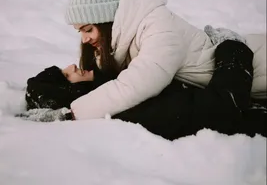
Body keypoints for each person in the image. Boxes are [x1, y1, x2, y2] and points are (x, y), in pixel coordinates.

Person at [64, 0, 266, 121]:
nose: (84, 39)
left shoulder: (159, 29)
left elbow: (133, 85)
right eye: (80, 32)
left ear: (107, 19)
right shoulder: (125, 37)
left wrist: (73, 113)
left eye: (88, 29)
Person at [22, 39, 267, 140]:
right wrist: (233, 51)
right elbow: (222, 109)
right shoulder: (129, 111)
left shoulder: (123, 85)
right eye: (66, 76)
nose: (72, 66)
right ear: (71, 95)